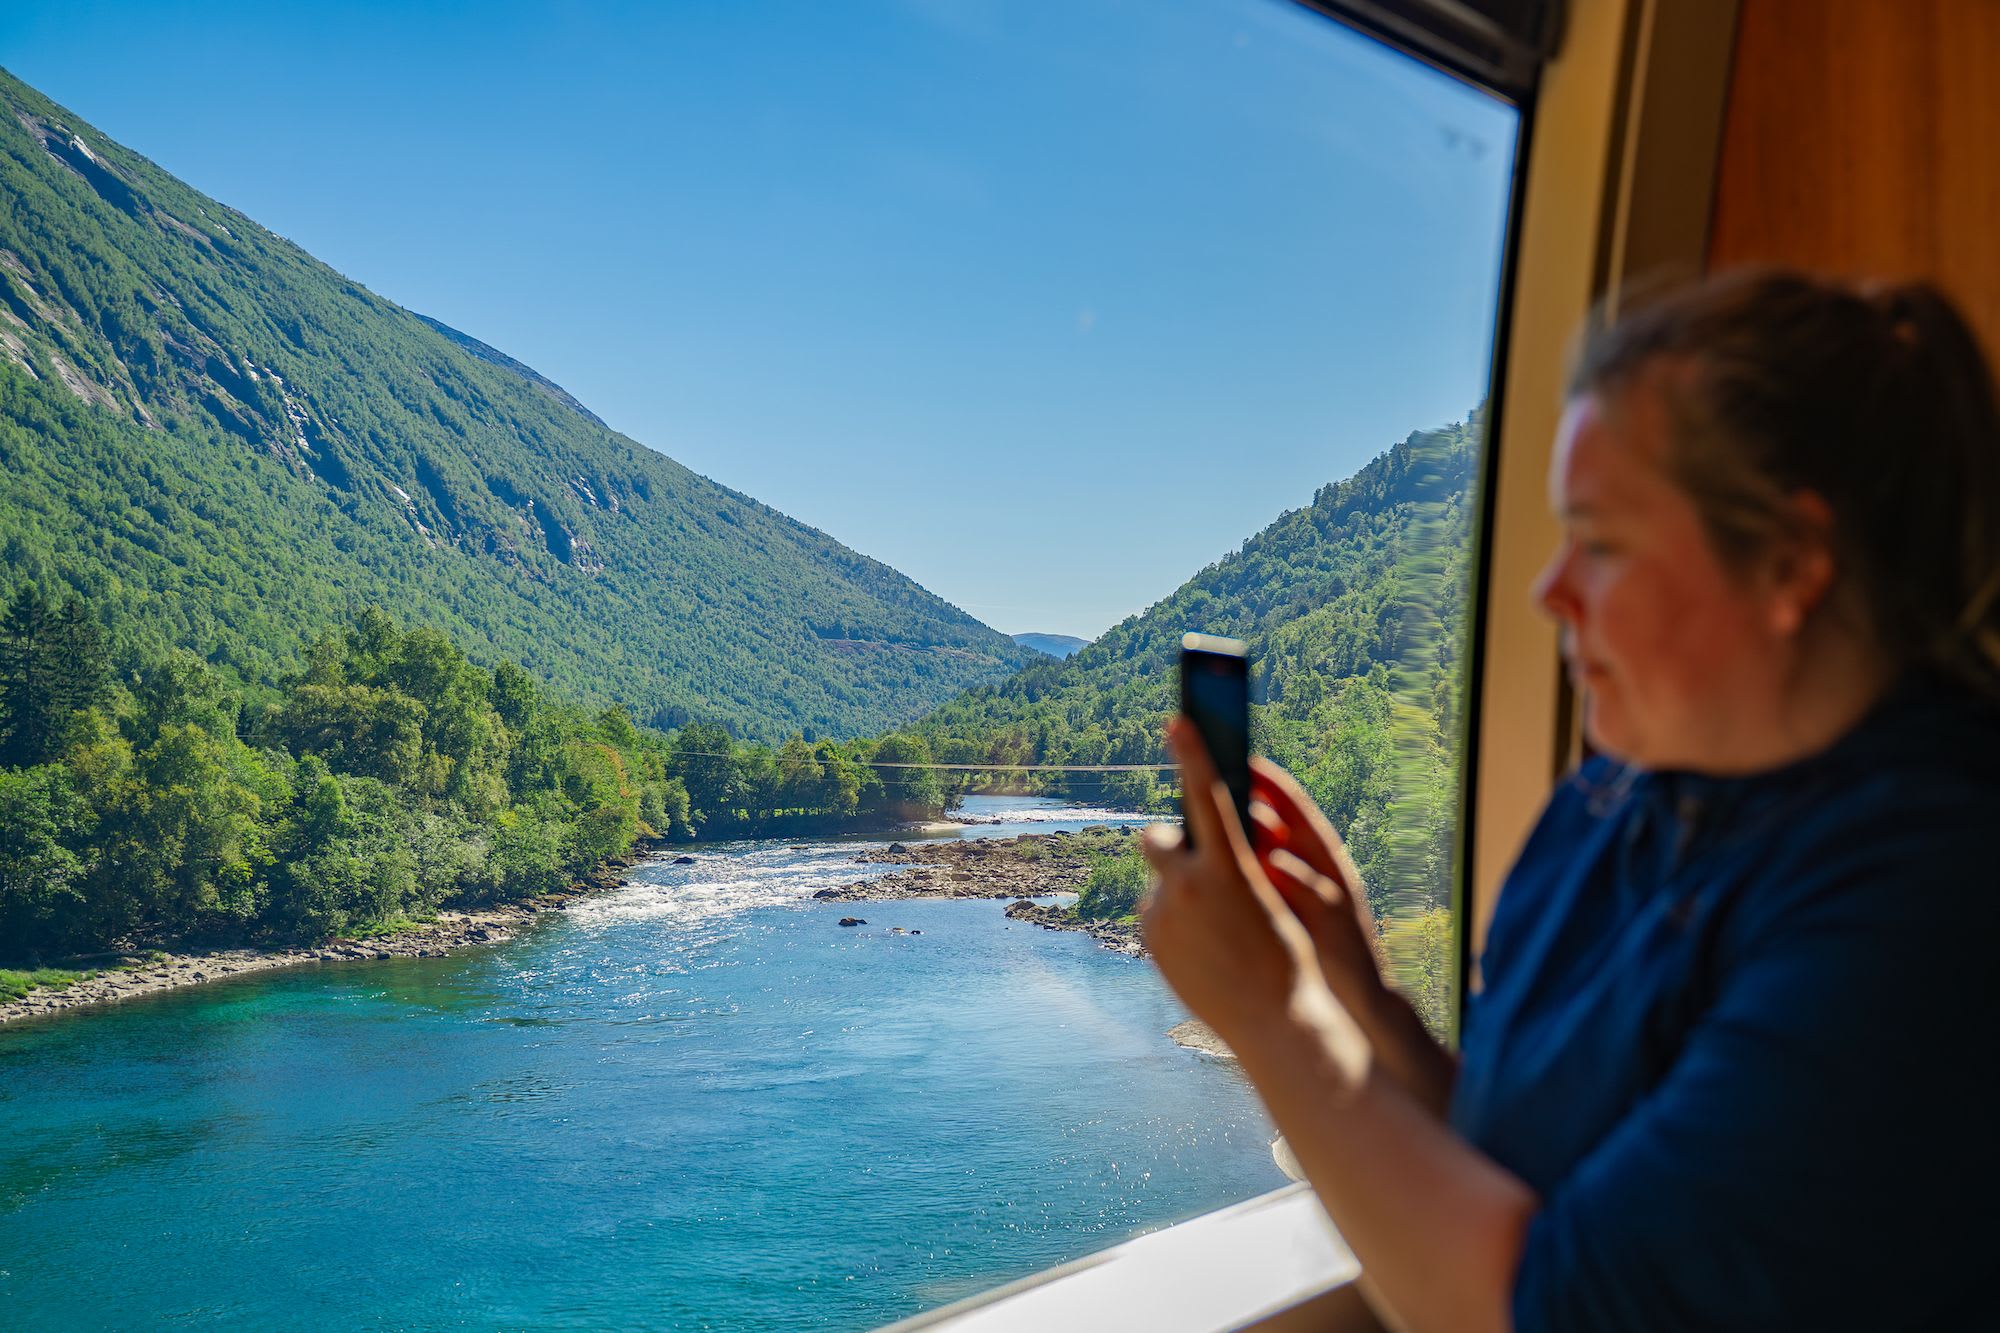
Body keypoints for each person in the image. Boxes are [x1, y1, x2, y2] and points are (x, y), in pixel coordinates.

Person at [1140, 270, 2000, 1332]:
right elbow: (1521, 1169)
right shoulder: (1611, 800)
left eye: (1598, 541)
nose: (1549, 591)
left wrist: (1273, 1014)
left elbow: (1556, 1307)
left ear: (1789, 563)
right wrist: (1355, 984)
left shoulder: (1927, 903)